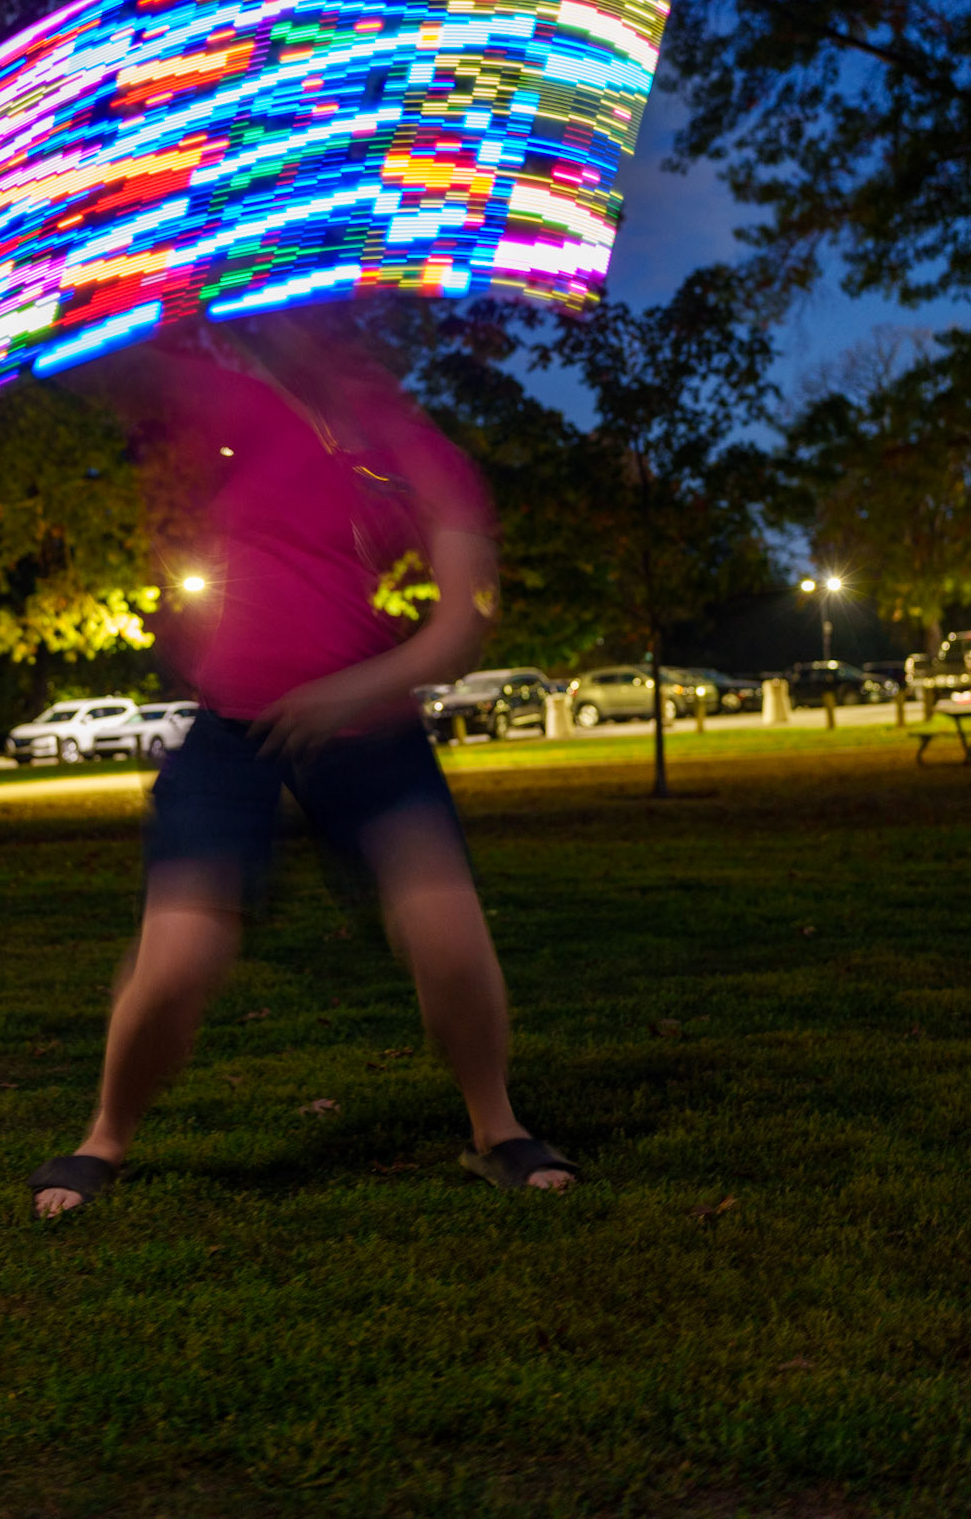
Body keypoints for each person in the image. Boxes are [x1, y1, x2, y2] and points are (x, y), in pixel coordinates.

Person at [28, 307, 577, 1215]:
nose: (300, 340)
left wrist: (349, 692)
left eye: (325, 328)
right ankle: (105, 1137)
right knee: (177, 964)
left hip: (372, 737)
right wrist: (67, 306)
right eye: (284, 327)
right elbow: (125, 367)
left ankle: (497, 1129)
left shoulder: (425, 458)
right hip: (233, 733)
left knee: (448, 940)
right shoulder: (251, 413)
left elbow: (460, 627)